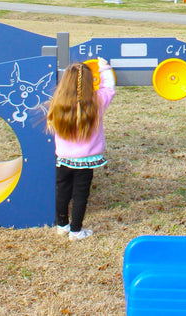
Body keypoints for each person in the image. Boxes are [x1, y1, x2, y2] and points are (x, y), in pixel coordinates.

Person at [45, 58, 116, 240]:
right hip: (86, 160)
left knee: (62, 191)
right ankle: (76, 231)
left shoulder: (57, 103)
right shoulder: (96, 102)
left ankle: (62, 225)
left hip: (63, 159)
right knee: (80, 195)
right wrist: (104, 67)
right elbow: (109, 88)